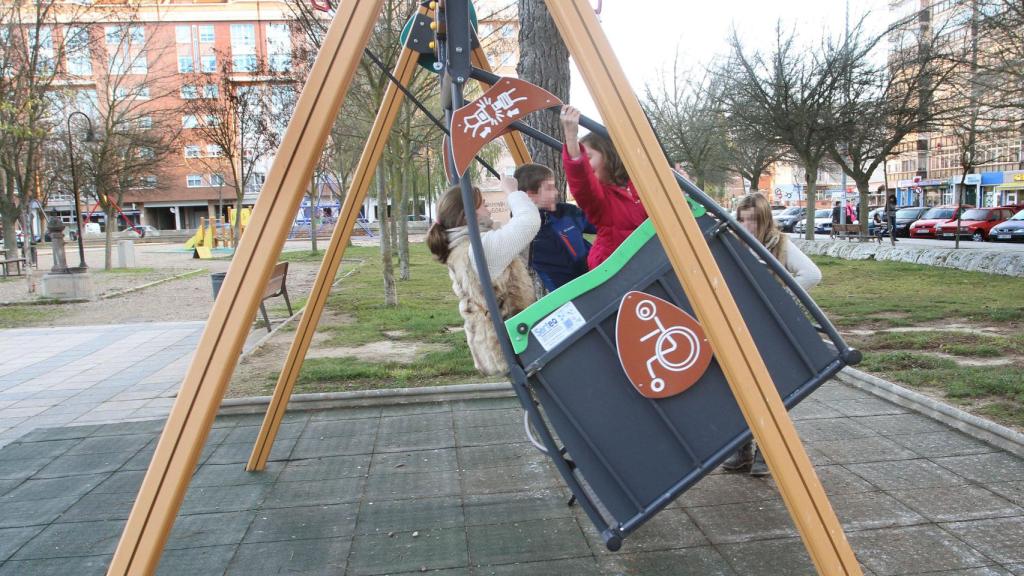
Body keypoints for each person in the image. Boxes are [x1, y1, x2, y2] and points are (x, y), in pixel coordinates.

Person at [722, 192, 822, 477]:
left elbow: (812, 274)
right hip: (740, 323)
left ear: (764, 220)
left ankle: (767, 452)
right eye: (742, 219)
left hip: (769, 326)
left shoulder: (779, 244)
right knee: (738, 387)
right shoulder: (732, 242)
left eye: (752, 220)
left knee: (769, 389)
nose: (746, 225)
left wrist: (779, 297)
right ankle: (742, 448)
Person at [426, 176, 541, 376]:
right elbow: (529, 223)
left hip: (502, 341)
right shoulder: (480, 249)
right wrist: (513, 192)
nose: (488, 209)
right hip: (516, 341)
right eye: (483, 205)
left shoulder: (464, 247)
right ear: (468, 215)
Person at [559, 105, 648, 269]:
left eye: (588, 157)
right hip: (615, 267)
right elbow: (582, 180)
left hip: (647, 261)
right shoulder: (598, 198)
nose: (586, 164)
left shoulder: (637, 186)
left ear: (609, 155)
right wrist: (571, 137)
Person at [514, 163, 596, 293]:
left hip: (597, 275)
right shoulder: (525, 232)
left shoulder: (567, 213)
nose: (556, 192)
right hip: (568, 294)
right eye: (550, 188)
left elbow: (601, 224)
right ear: (530, 195)